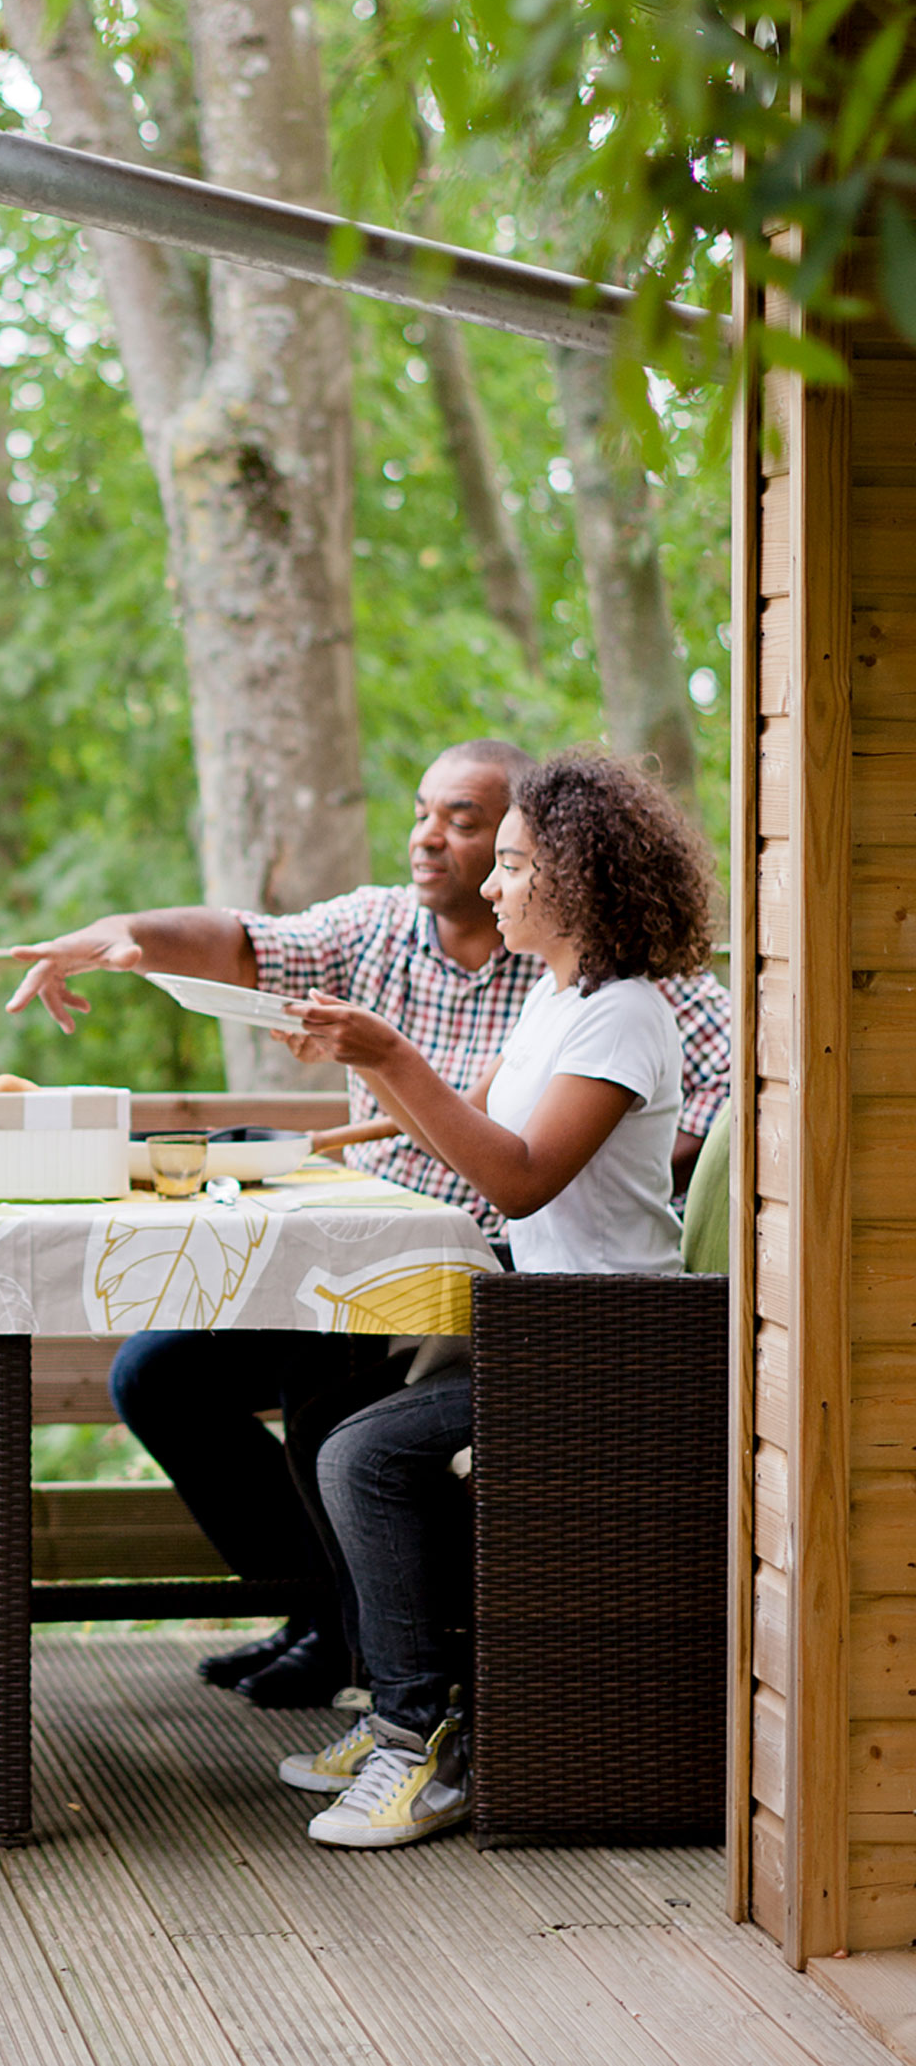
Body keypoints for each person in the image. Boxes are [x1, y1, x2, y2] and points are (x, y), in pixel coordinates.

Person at [5, 738, 731, 1706]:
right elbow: (242, 943)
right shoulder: (444, 955)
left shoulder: (611, 996)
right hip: (370, 1262)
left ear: (564, 862)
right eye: (423, 809)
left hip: (493, 1291)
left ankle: (390, 1682)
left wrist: (622, 1141)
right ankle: (334, 1626)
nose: (425, 836)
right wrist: (118, 935)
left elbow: (572, 1146)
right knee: (158, 1371)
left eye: (470, 826)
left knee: (333, 1396)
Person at [276, 751, 714, 1848]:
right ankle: (413, 1703)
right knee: (336, 1421)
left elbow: (516, 1174)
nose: (488, 887)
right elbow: (461, 1113)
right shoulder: (555, 999)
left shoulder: (621, 1016)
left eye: (511, 866)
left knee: (362, 1455)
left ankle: (418, 1739)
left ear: (574, 880)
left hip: (606, 1335)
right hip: (539, 1319)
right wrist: (358, 1063)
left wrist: (385, 1052)